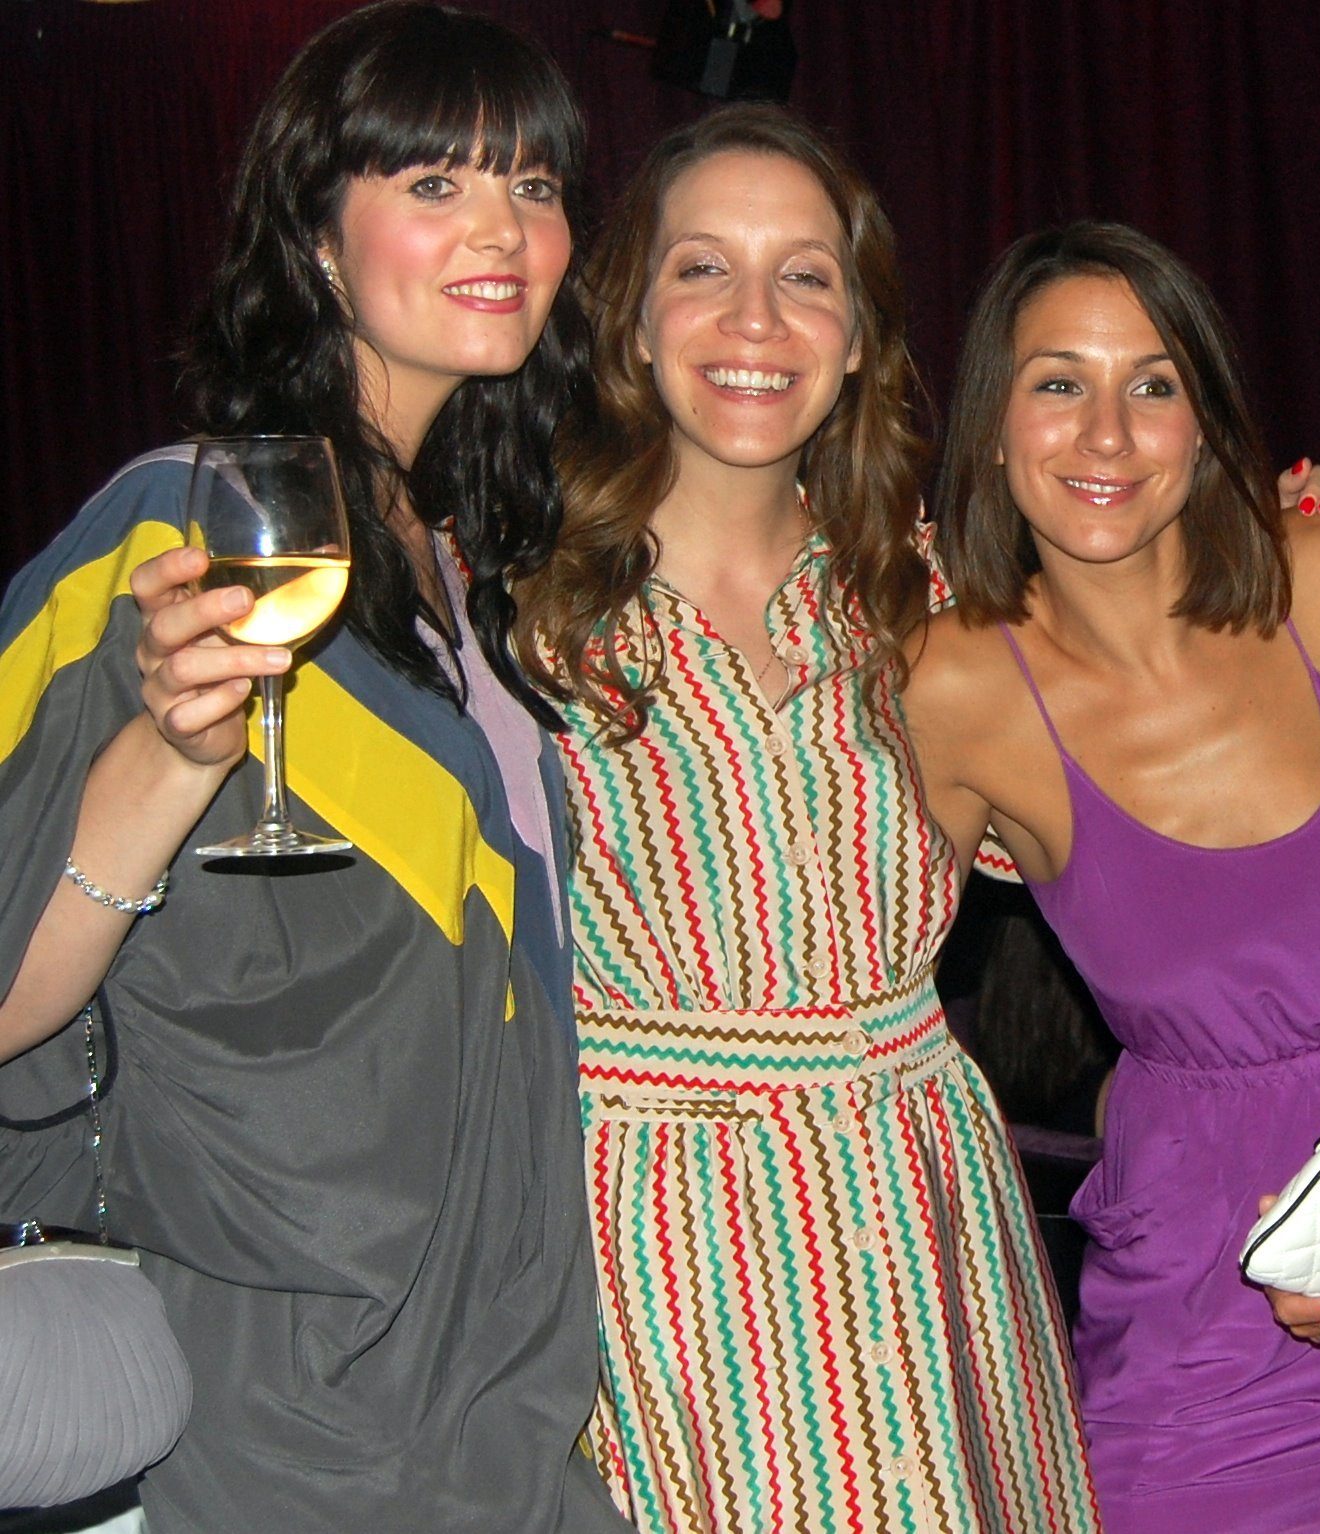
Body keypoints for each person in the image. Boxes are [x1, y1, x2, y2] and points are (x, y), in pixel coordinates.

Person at [0, 5, 628, 1530]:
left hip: (492, 1370)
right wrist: (170, 751)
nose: (501, 227)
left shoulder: (475, 574)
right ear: (319, 239)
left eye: (533, 184)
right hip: (269, 1381)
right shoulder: (177, 535)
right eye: (433, 182)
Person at [511, 107, 1095, 1534]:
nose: (756, 319)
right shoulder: (513, 614)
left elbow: (1182, 744)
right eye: (703, 267)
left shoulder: (937, 609)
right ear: (631, 320)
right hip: (656, 1237)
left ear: (855, 339)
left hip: (921, 1215)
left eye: (806, 275)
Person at [901, 222, 1320, 1534]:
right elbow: (840, 980)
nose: (1107, 434)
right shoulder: (952, 685)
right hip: (1206, 1321)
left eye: (1152, 384)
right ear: (993, 425)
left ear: (1206, 422)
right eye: (1057, 382)